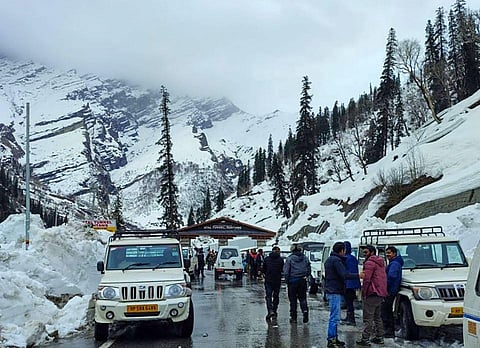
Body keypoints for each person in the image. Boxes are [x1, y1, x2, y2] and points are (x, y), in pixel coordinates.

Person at [324, 241, 360, 347]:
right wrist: (359, 275)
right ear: (342, 251)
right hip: (335, 291)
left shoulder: (330, 259)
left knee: (335, 316)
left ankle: (334, 338)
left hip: (332, 290)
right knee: (334, 317)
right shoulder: (336, 261)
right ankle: (331, 340)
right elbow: (344, 274)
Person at [356, 245, 388, 347]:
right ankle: (379, 337)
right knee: (377, 317)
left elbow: (367, 279)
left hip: (372, 292)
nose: (364, 255)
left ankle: (365, 339)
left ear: (372, 252)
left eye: (366, 252)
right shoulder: (381, 262)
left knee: (368, 317)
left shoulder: (370, 263)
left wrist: (364, 292)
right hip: (380, 292)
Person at [283, 243, 311, 324]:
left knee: (293, 300)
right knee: (302, 298)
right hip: (302, 280)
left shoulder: (289, 259)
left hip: (292, 281)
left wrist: (287, 281)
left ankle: (294, 317)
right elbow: (309, 268)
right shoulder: (305, 258)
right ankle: (305, 311)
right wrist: (306, 276)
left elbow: (286, 271)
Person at [381, 246, 403, 338]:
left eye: (389, 253)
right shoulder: (395, 263)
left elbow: (391, 276)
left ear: (394, 253)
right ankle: (389, 331)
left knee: (385, 311)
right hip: (392, 290)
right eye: (387, 253)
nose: (388, 255)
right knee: (387, 310)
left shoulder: (394, 264)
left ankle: (389, 332)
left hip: (390, 291)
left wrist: (385, 287)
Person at [341, 240, 361, 326]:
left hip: (347, 283)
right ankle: (349, 317)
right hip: (354, 283)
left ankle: (351, 319)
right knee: (350, 302)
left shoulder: (344, 259)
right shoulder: (353, 258)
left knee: (348, 302)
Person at [262, 246, 284, 321]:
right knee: (276, 296)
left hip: (268, 280)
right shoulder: (280, 260)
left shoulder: (267, 259)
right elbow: (282, 269)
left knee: (268, 296)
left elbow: (263, 269)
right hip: (277, 280)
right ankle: (274, 310)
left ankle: (270, 310)